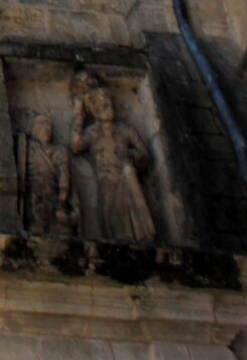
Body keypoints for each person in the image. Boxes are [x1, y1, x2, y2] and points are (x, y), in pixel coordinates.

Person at [70, 82, 156, 244]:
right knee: (111, 218)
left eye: (109, 102)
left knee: (136, 215)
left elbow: (144, 153)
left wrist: (130, 154)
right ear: (94, 110)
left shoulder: (126, 129)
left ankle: (143, 238)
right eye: (102, 104)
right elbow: (75, 145)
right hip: (107, 179)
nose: (108, 106)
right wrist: (78, 114)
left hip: (127, 177)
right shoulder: (93, 132)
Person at [16, 113, 75, 235]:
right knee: (36, 214)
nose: (46, 130)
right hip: (34, 189)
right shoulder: (29, 149)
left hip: (52, 189)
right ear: (35, 130)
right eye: (42, 126)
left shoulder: (59, 151)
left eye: (49, 127)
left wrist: (64, 190)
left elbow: (64, 172)